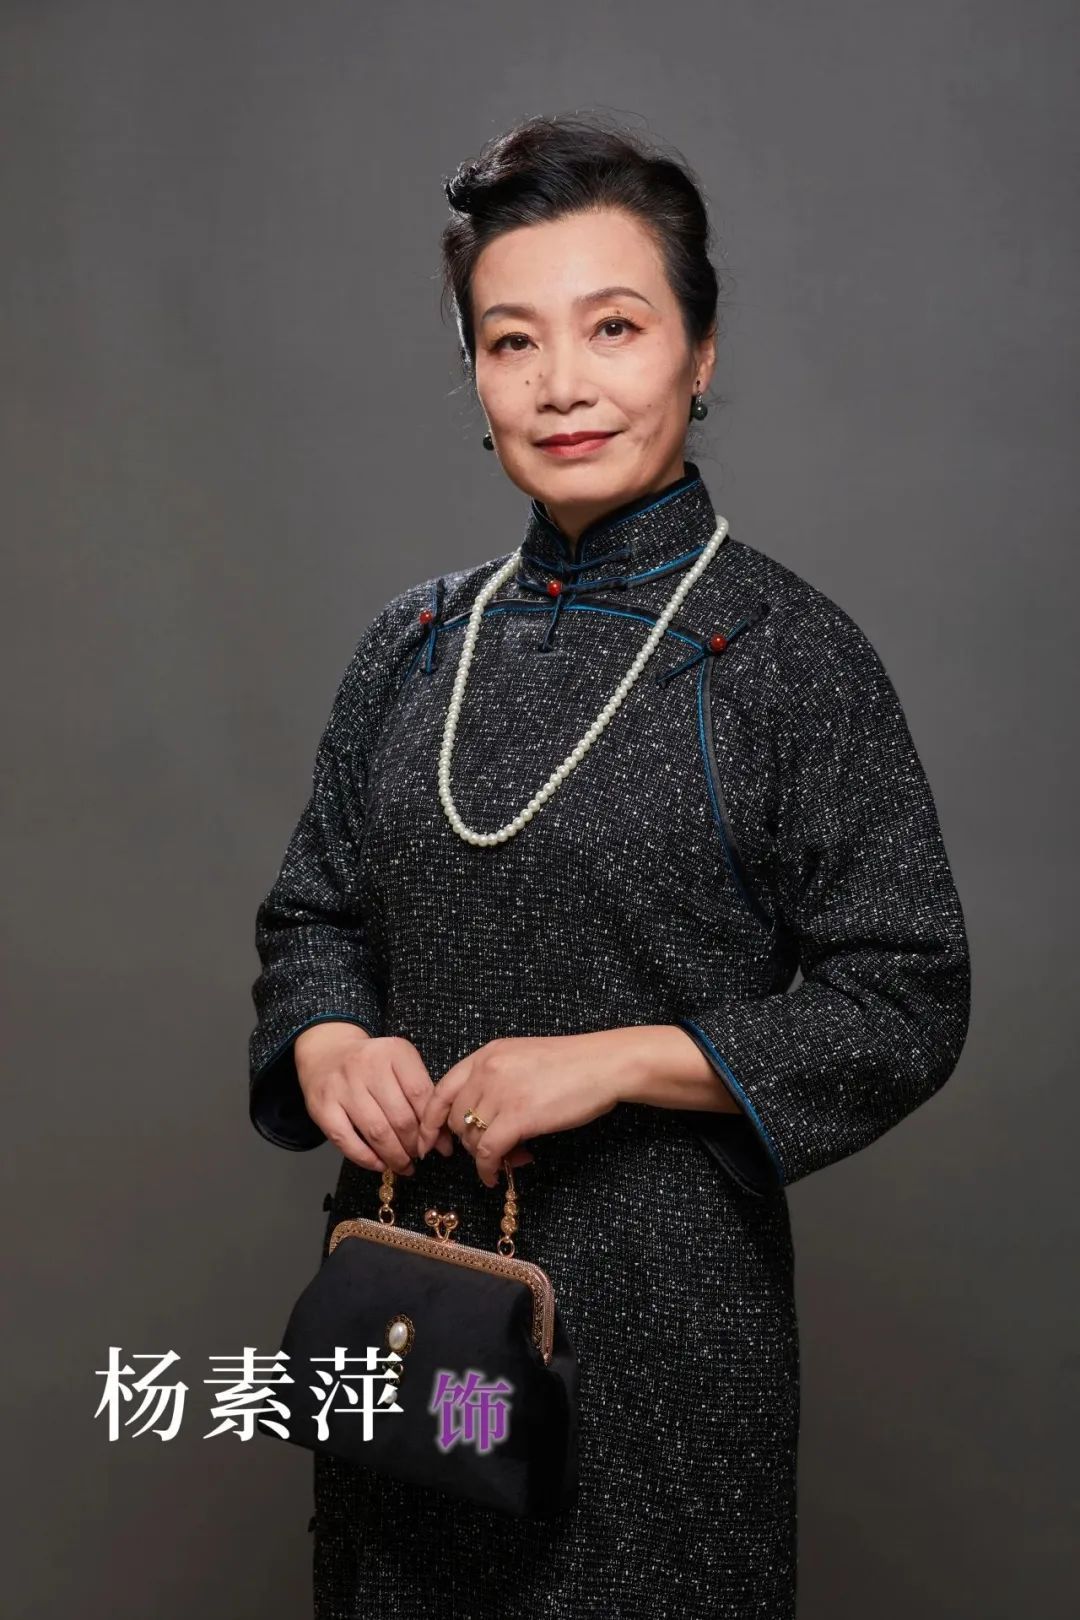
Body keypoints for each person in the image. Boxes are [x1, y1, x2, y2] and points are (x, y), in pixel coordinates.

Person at [247, 113, 971, 1619]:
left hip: (660, 1337)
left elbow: (905, 995)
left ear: (700, 354)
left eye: (615, 327)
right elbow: (315, 911)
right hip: (407, 1305)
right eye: (511, 341)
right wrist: (326, 1038)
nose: (562, 383)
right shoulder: (414, 645)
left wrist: (621, 1061)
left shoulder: (785, 655)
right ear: (475, 375)